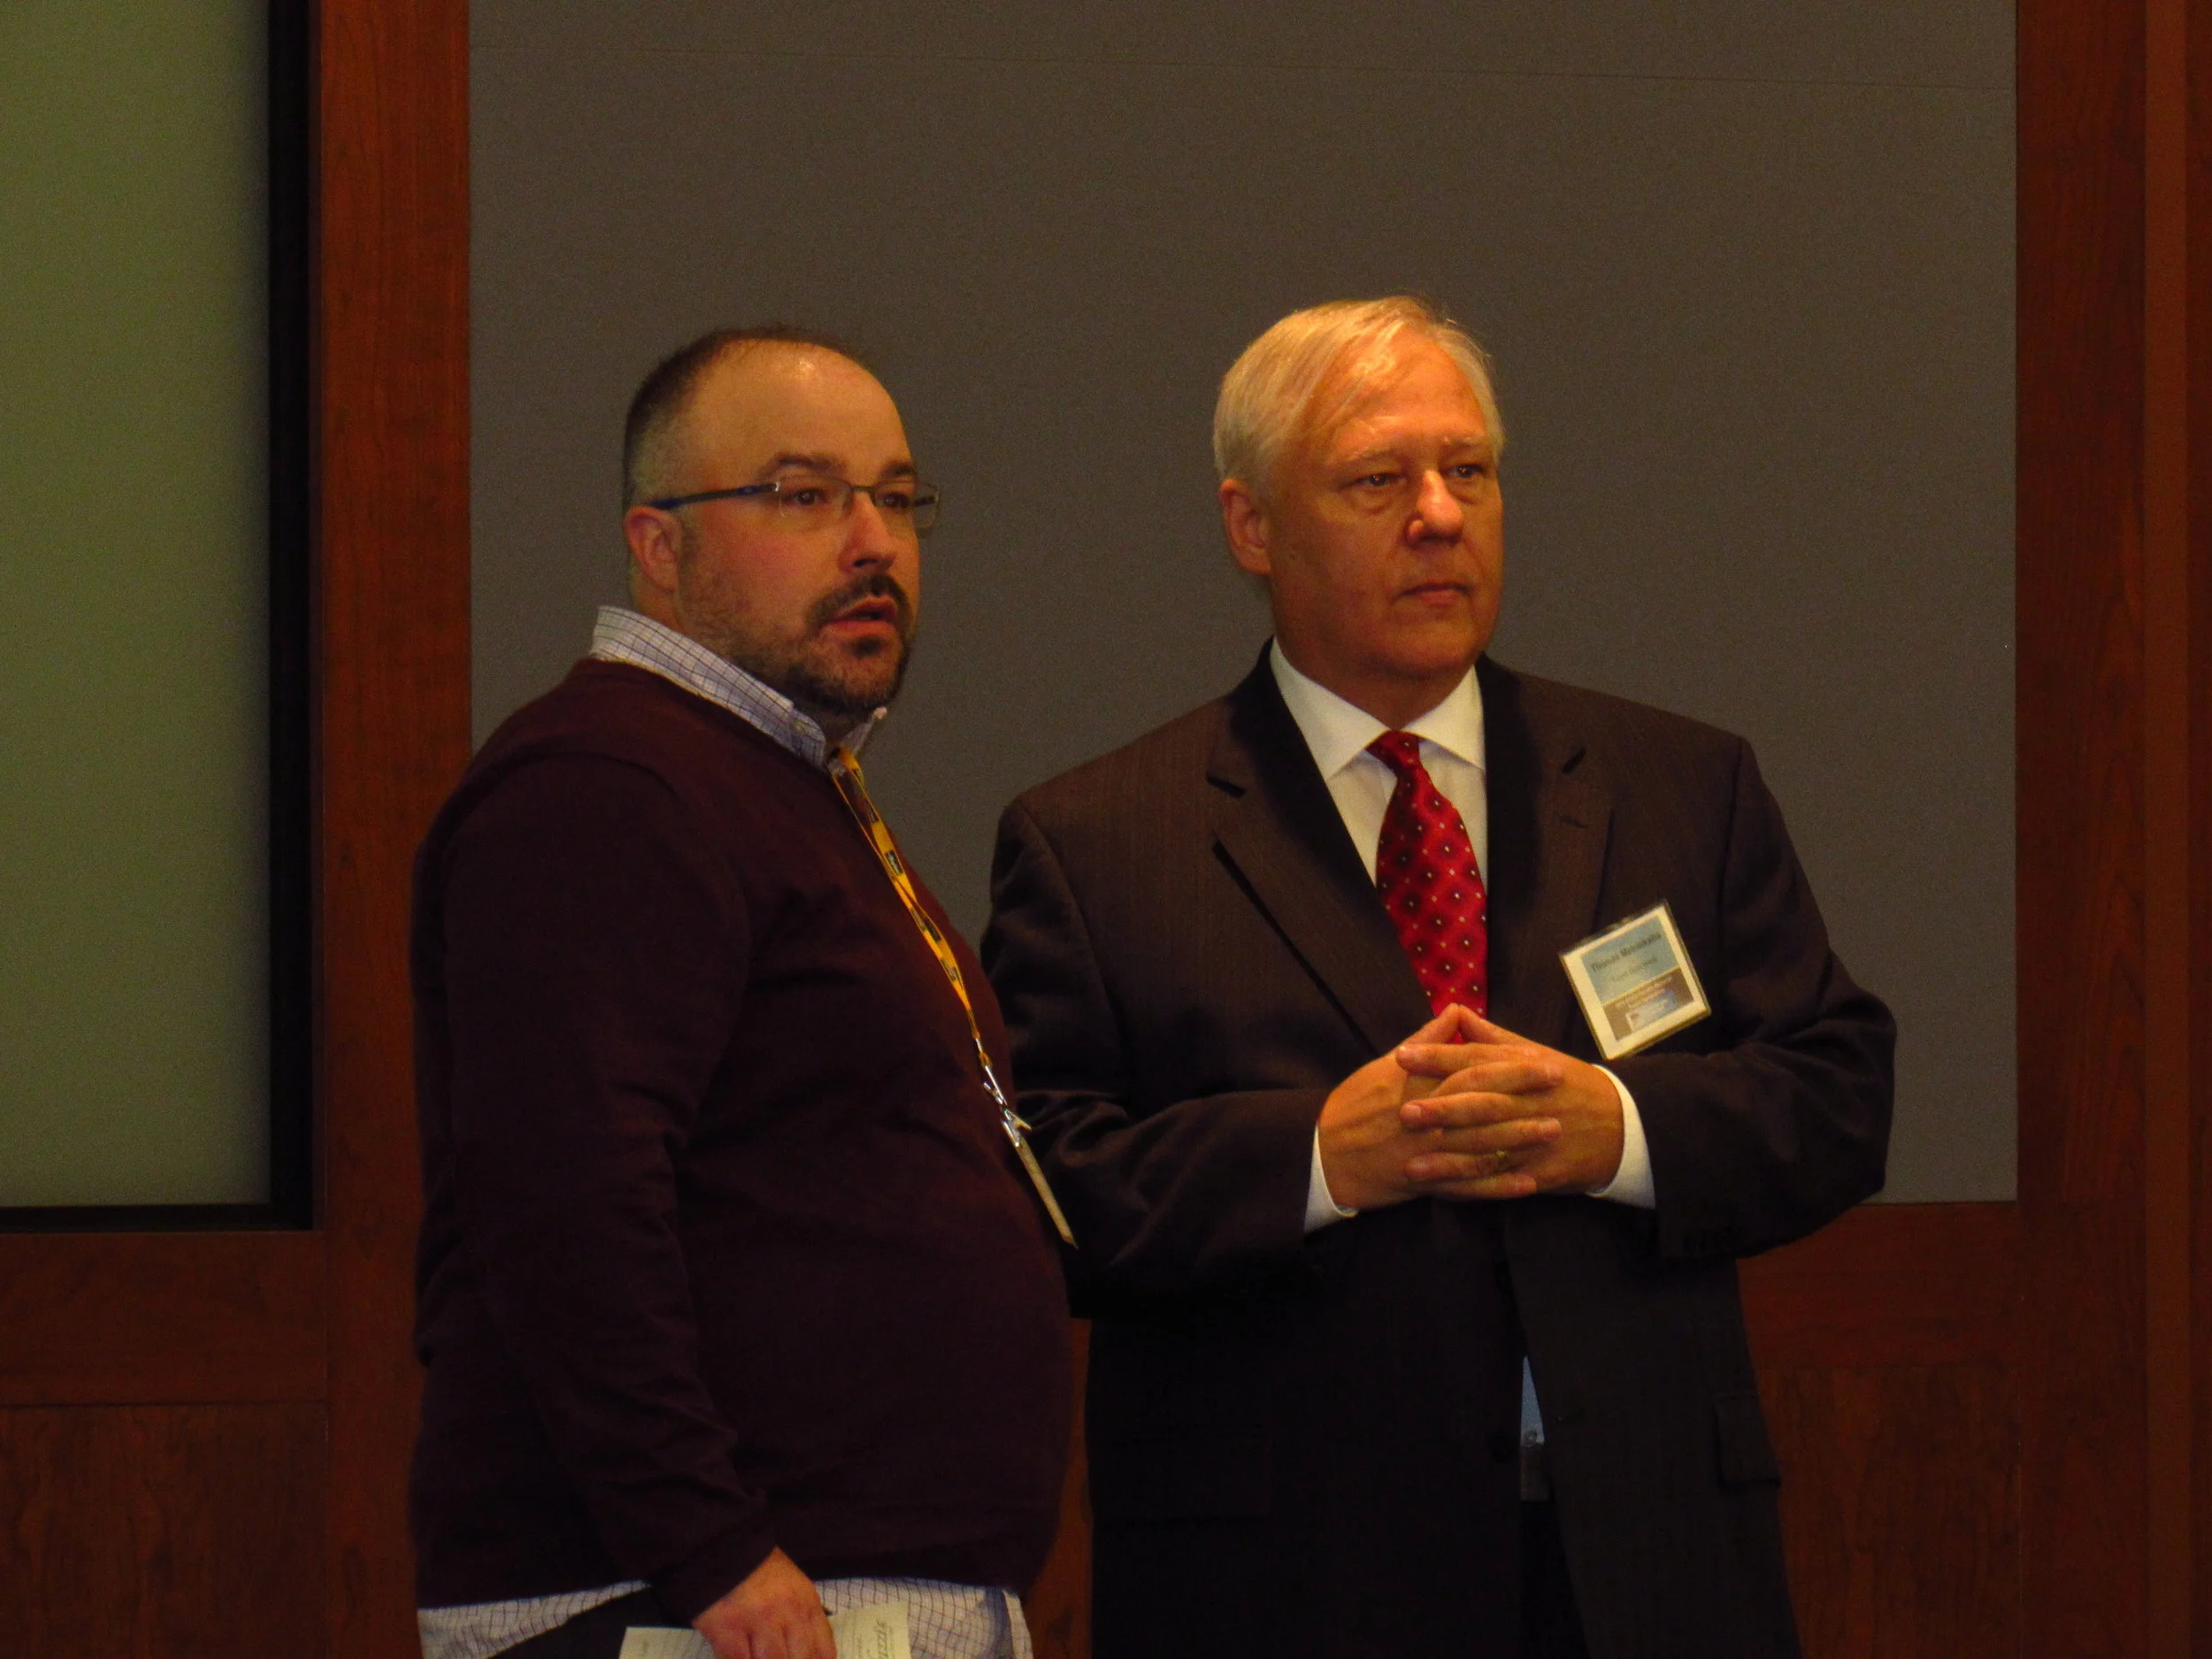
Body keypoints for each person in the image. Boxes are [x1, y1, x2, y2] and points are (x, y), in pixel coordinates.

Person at [982, 296, 1893, 1659]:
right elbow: (1042, 1191)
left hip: (1645, 1564)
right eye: (1376, 480)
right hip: (1288, 1581)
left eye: (1469, 470)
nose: (1441, 515)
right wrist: (1320, 1158)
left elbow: (1835, 1092)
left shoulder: (1678, 785)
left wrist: (1621, 1131)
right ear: (1251, 528)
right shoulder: (1100, 840)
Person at [409, 326, 1071, 1659]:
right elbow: (564, 1198)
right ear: (658, 545)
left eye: (896, 495)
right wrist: (705, 1543)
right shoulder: (608, 787)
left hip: (822, 1591)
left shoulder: (769, 781)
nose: (873, 539)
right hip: (704, 1606)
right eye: (803, 493)